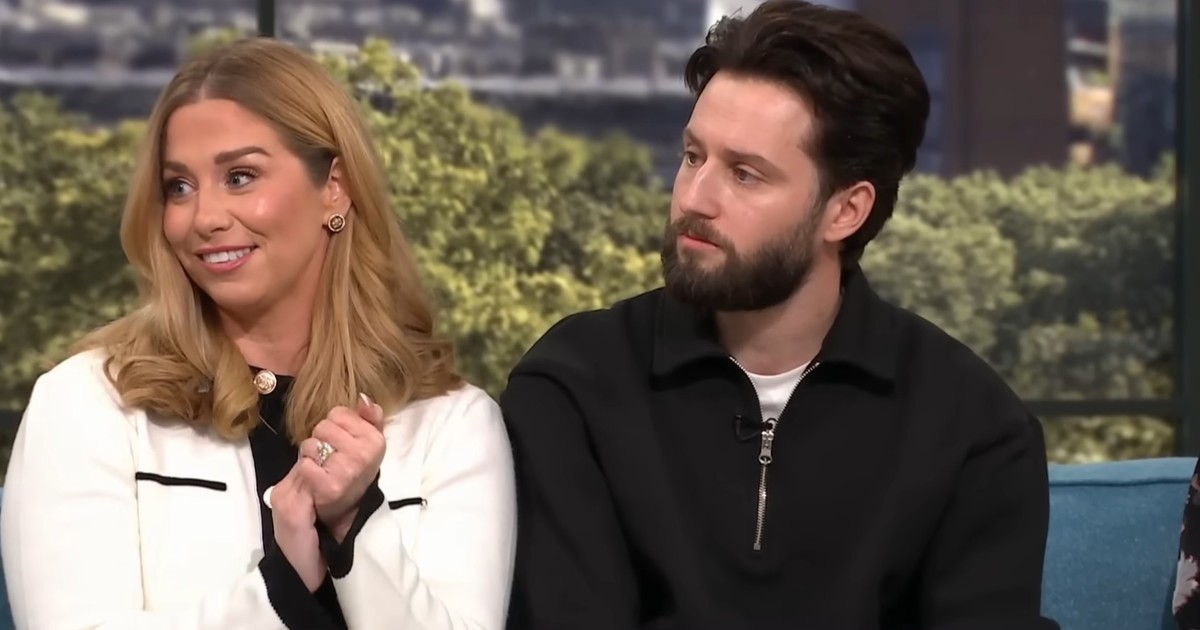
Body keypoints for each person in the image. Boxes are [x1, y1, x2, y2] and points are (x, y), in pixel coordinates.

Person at [500, 1, 1058, 628]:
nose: (694, 198)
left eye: (745, 174)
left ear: (845, 211)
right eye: (693, 156)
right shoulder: (573, 386)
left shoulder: (976, 430)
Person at [1, 38, 516, 630]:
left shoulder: (452, 423)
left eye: (240, 177)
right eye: (179, 187)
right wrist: (280, 587)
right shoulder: (88, 402)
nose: (204, 218)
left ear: (335, 187)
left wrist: (356, 525)